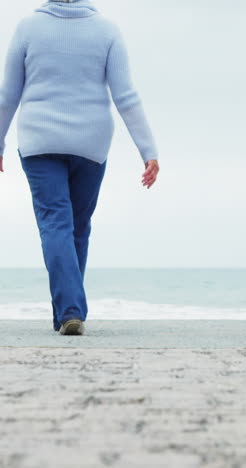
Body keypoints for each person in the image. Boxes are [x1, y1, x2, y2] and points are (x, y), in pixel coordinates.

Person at [0, 0, 160, 335]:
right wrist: (148, 151)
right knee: (77, 226)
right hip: (91, 144)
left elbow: (8, 95)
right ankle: (69, 312)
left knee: (55, 223)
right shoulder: (107, 30)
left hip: (39, 142)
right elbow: (126, 96)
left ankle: (69, 310)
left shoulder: (27, 28)